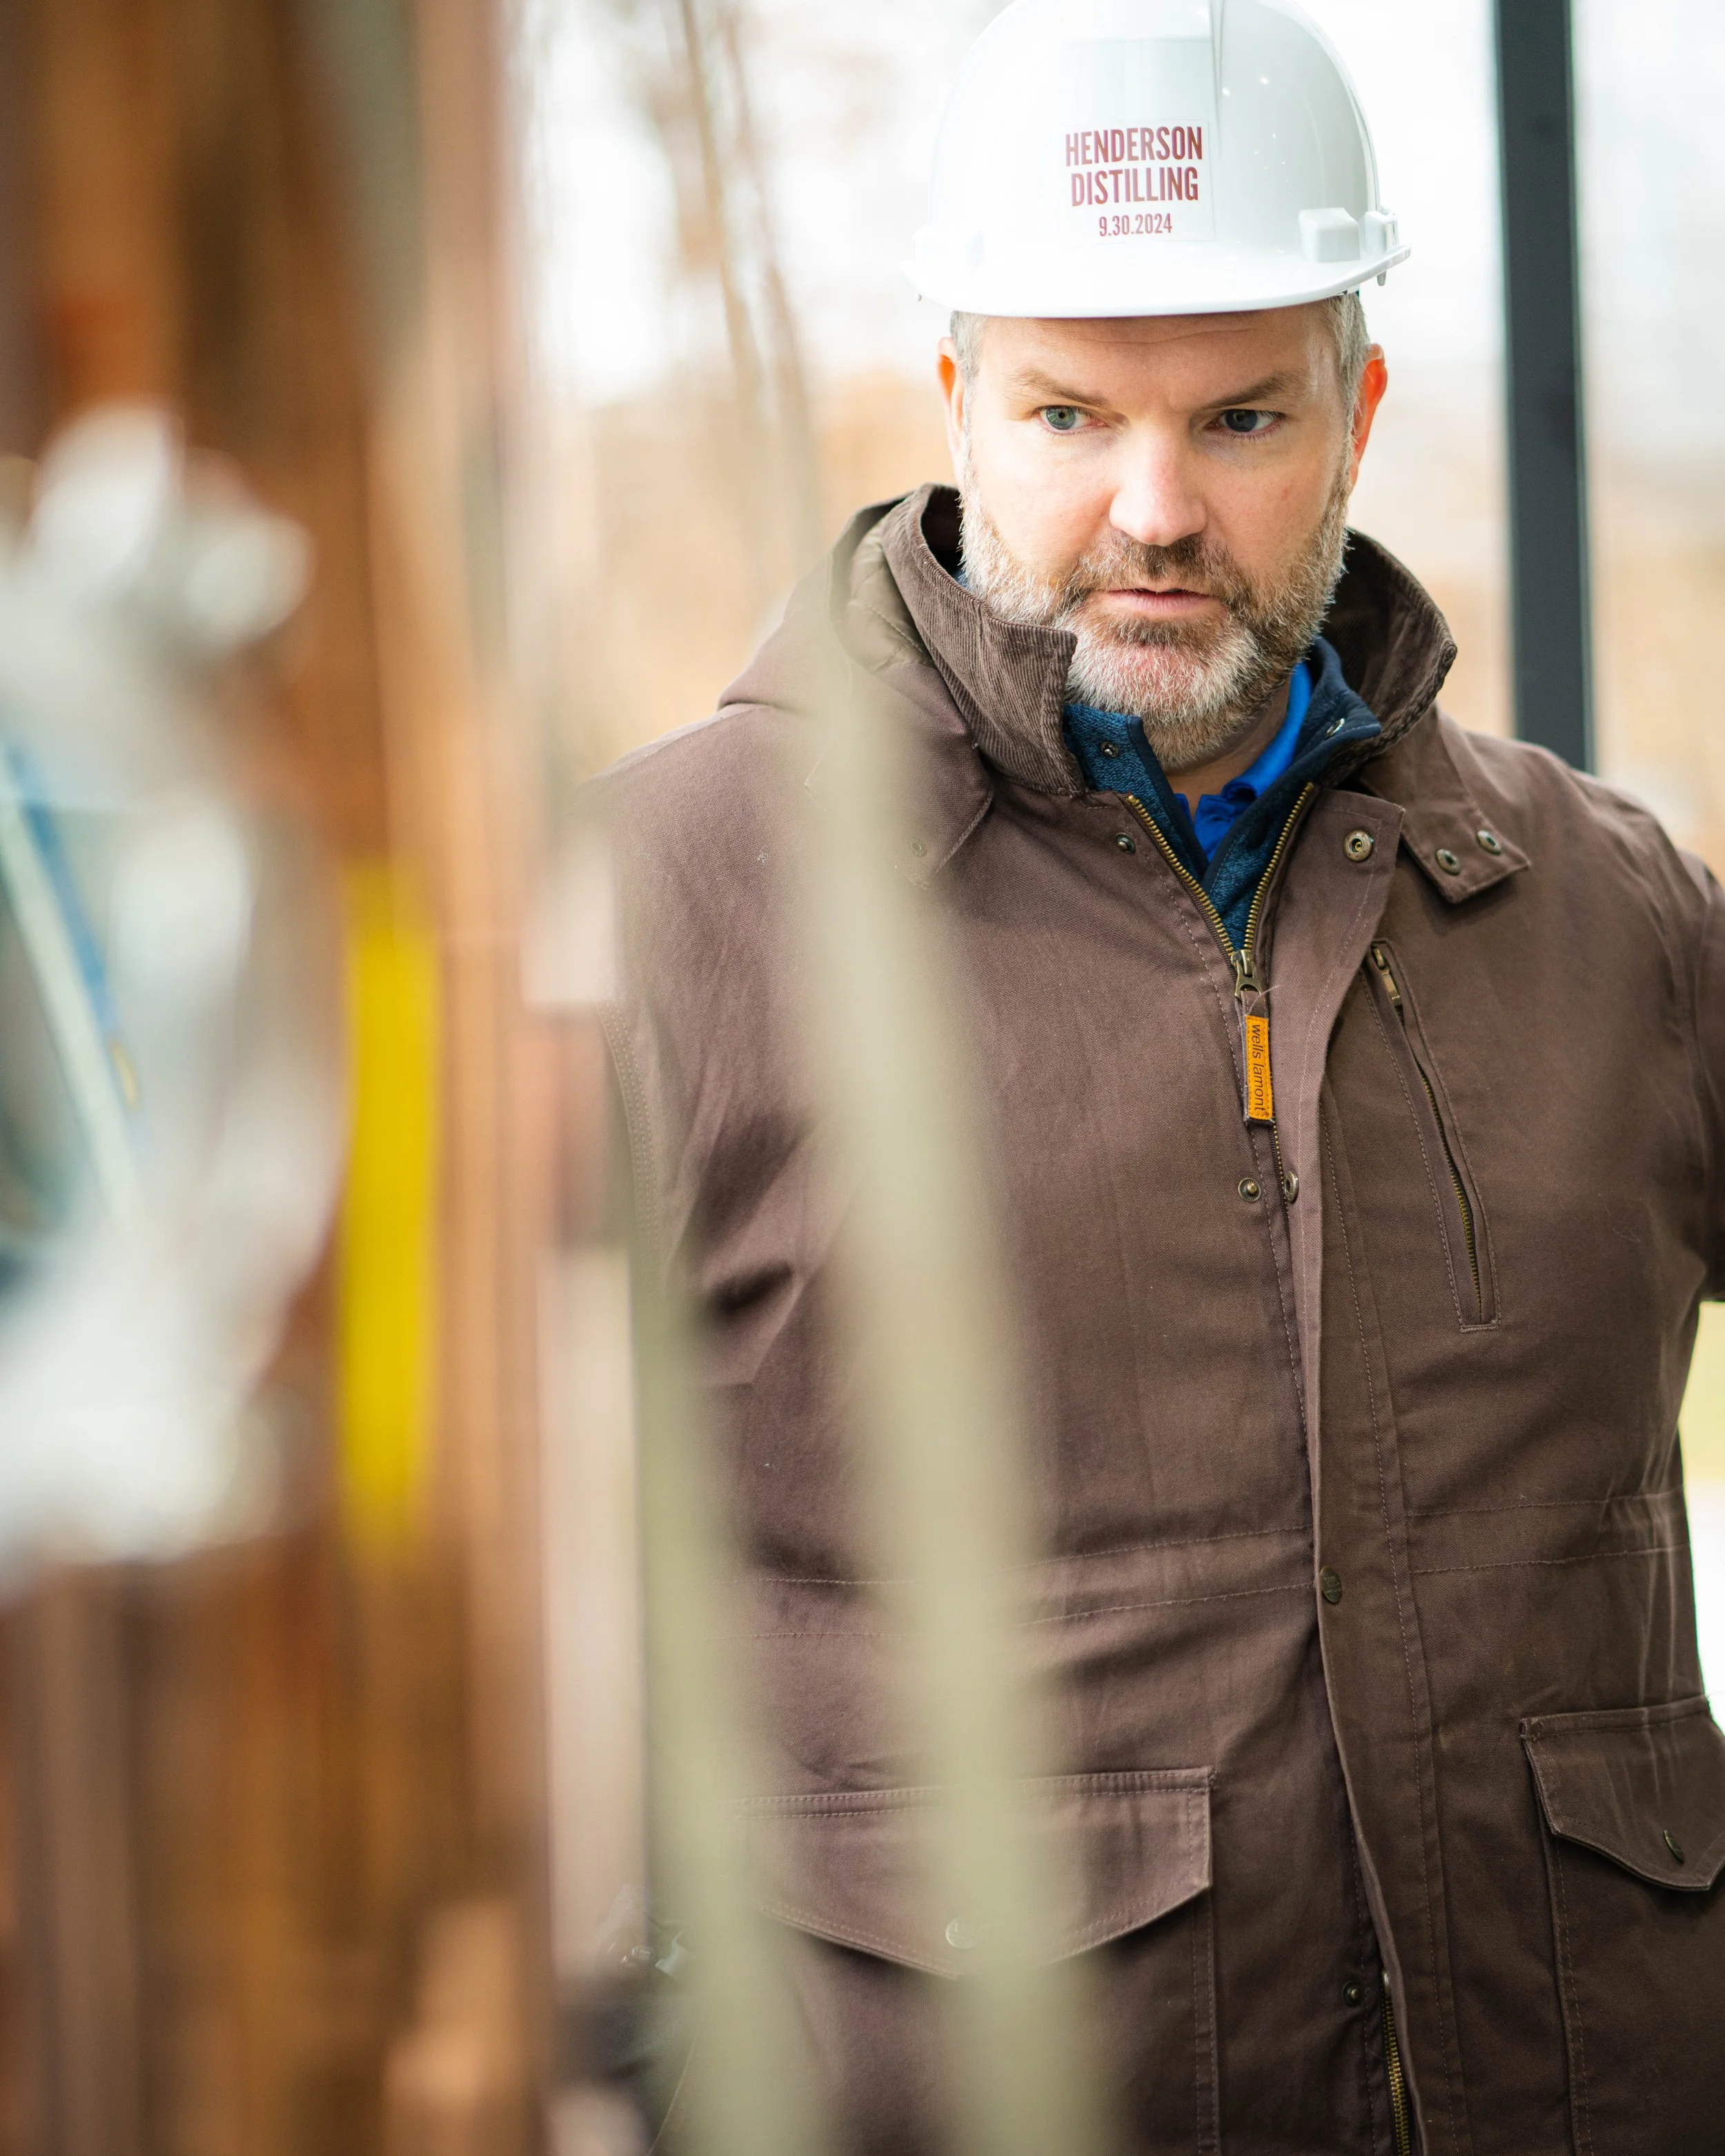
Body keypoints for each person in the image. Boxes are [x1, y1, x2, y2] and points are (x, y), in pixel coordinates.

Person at [595, 1, 1725, 2148]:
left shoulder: (1610, 913)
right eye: (1061, 411)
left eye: (1237, 415)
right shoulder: (666, 915)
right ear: (950, 400)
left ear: (1361, 410)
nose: (1151, 507)